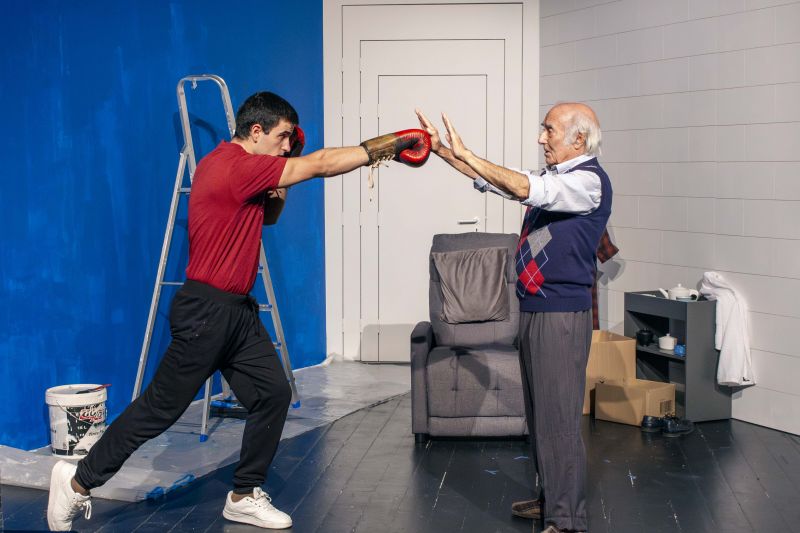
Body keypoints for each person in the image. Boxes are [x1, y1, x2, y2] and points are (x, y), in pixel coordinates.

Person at [47, 91, 431, 531]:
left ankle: (244, 495)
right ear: (256, 130)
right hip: (206, 312)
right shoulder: (235, 166)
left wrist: (286, 167)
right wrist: (392, 144)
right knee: (159, 409)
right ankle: (77, 482)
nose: (286, 146)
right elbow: (323, 164)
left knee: (272, 393)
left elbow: (270, 215)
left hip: (237, 313)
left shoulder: (241, 169)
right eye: (282, 137)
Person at [417, 102, 611, 533]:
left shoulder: (588, 182)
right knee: (540, 415)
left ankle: (567, 519)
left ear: (578, 139)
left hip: (561, 315)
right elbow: (501, 183)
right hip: (537, 309)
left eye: (549, 130)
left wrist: (469, 153)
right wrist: (445, 152)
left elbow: (525, 187)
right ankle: (551, 500)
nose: (542, 138)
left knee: (559, 420)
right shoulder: (557, 178)